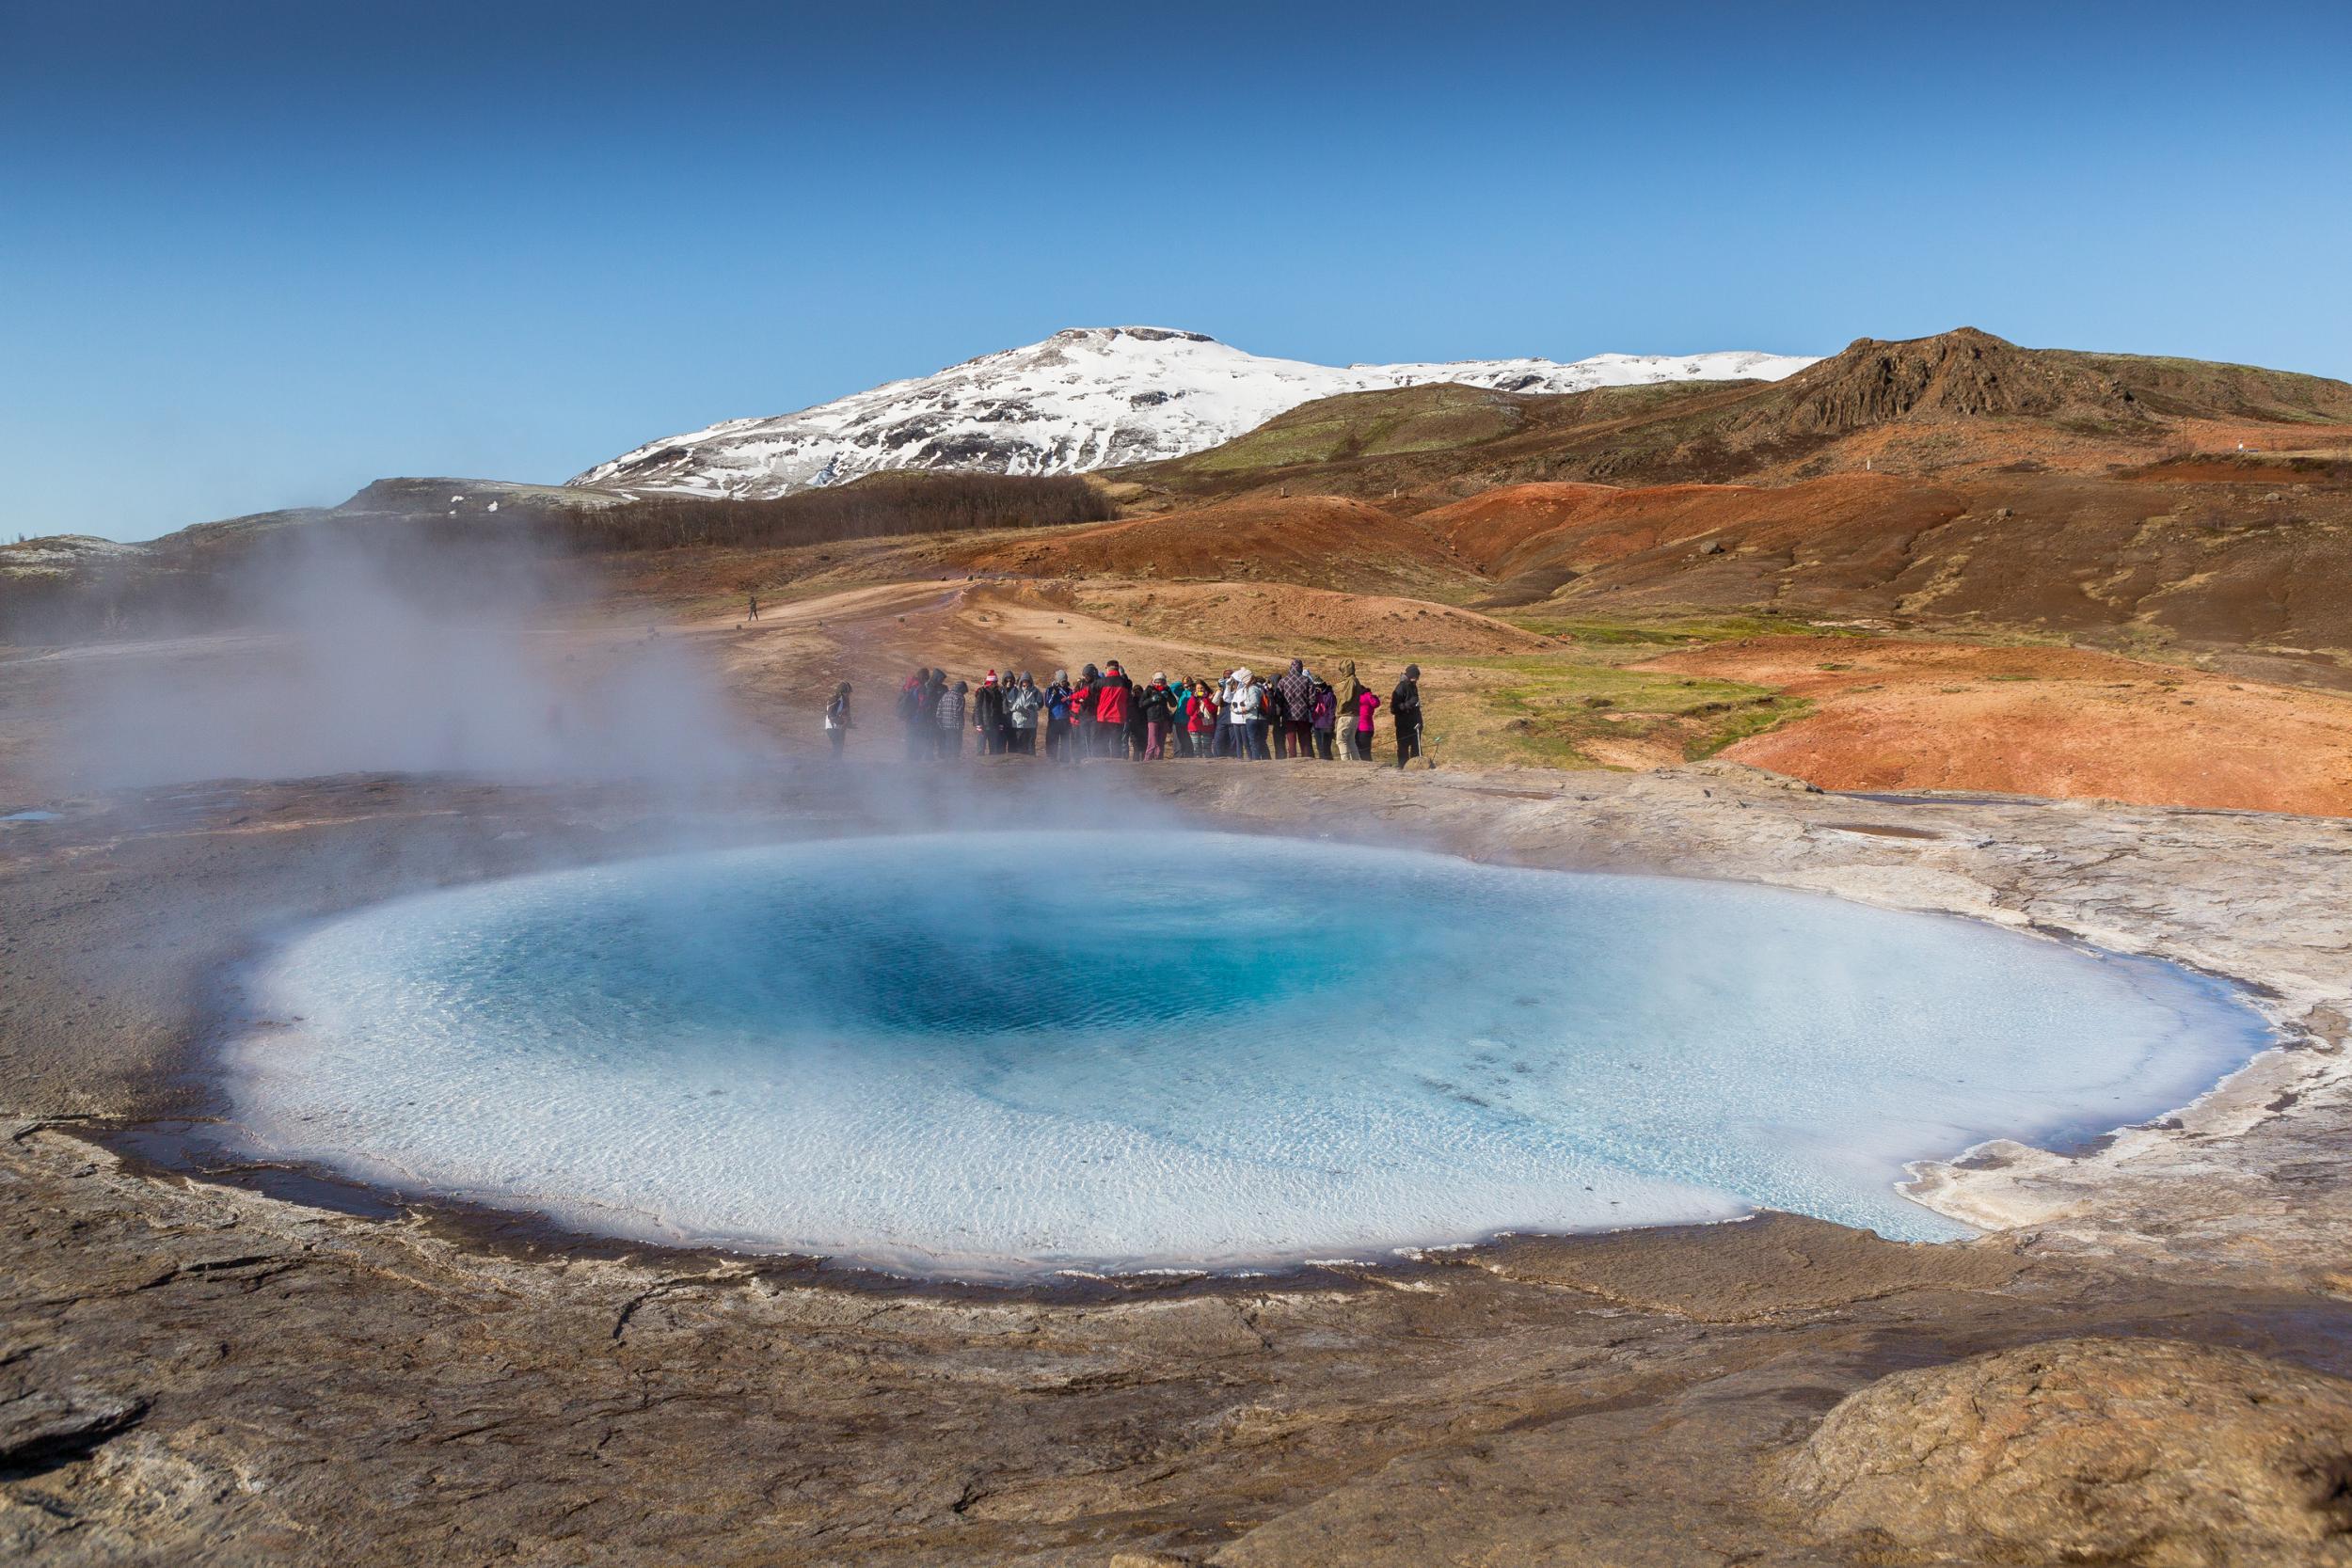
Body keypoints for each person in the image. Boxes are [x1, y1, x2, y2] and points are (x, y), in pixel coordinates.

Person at [1274, 659, 1314, 759]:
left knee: (1291, 740)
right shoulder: (1307, 680)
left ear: (1291, 668)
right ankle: (1306, 757)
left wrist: (1283, 708)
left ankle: (1292, 758)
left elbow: (1278, 699)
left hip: (1288, 714)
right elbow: (1313, 699)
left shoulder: (1283, 681)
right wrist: (1307, 706)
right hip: (1303, 714)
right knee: (1304, 739)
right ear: (1301, 668)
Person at [1092, 660, 1132, 758]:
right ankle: (1116, 766)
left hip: (1104, 716)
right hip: (1118, 717)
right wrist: (1123, 675)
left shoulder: (1103, 681)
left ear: (1108, 668)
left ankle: (1101, 765)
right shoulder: (1124, 682)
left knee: (1102, 741)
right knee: (1116, 742)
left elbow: (1093, 693)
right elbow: (1129, 685)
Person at [1391, 664, 1424, 769]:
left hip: (1414, 725)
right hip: (1403, 725)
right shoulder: (1401, 687)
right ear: (1411, 676)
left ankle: (1416, 770)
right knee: (1403, 749)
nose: (1417, 679)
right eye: (1416, 677)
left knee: (1416, 749)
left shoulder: (1413, 685)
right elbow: (1394, 708)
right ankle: (1403, 768)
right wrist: (1409, 704)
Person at [1227, 667, 1263, 760]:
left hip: (1250, 718)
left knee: (1251, 741)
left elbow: (1254, 702)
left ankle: (1254, 758)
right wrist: (1227, 686)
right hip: (1244, 717)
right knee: (1249, 741)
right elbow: (1227, 698)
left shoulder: (1251, 688)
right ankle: (1251, 758)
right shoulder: (1250, 688)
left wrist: (1242, 709)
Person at [1139, 673, 1176, 760]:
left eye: (1162, 682)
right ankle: (1147, 761)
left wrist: (1169, 697)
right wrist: (1152, 699)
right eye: (1157, 681)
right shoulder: (1149, 690)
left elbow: (1174, 704)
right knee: (1152, 742)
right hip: (1153, 719)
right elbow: (1141, 704)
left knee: (1161, 743)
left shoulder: (1167, 690)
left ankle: (1159, 761)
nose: (1159, 684)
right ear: (1153, 681)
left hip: (1164, 719)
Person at [898, 668, 932, 761]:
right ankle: (915, 761)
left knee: (910, 738)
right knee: (918, 739)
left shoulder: (910, 685)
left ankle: (908, 759)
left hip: (909, 717)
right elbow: (923, 703)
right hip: (918, 719)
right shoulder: (921, 688)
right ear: (925, 678)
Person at [1007, 672, 1043, 754]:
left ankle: (1031, 765)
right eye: (1024, 685)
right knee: (1019, 746)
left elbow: (1040, 703)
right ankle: (1020, 765)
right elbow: (1009, 703)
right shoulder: (1015, 691)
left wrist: (1033, 706)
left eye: (1028, 684)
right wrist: (1018, 707)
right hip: (1019, 724)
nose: (1026, 686)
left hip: (1031, 724)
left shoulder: (1035, 691)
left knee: (1030, 746)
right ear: (1021, 683)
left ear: (1031, 682)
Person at [973, 672, 1008, 756]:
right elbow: (977, 709)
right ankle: (979, 767)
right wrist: (978, 723)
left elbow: (1000, 709)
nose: (996, 684)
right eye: (994, 683)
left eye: (996, 682)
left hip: (994, 724)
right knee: (980, 749)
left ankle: (992, 768)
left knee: (993, 749)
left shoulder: (998, 693)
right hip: (983, 724)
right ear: (990, 683)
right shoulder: (982, 692)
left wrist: (1001, 723)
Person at [1044, 669, 1074, 763]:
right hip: (1054, 720)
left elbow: (1070, 702)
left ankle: (1065, 761)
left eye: (1065, 681)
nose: (1063, 683)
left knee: (1065, 742)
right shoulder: (1050, 690)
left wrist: (1061, 691)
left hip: (1065, 720)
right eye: (1061, 681)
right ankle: (1051, 759)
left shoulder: (1069, 691)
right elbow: (1048, 704)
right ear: (1057, 680)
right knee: (1052, 741)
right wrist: (1054, 694)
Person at [936, 678, 968, 758]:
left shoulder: (945, 695)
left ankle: (947, 764)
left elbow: (939, 712)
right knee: (956, 747)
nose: (964, 693)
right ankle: (954, 764)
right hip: (955, 727)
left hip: (945, 726)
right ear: (961, 689)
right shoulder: (960, 697)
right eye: (964, 691)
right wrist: (960, 725)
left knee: (948, 745)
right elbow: (958, 713)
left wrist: (941, 724)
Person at [1309, 675, 1337, 760]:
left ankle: (1329, 764)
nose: (1316, 690)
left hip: (1326, 725)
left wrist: (1330, 724)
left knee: (1326, 748)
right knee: (1319, 748)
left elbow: (1332, 711)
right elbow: (1311, 706)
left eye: (1317, 688)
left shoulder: (1330, 695)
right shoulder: (1314, 695)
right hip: (1317, 724)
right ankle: (1322, 764)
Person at [1352, 681, 1380, 761]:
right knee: (1366, 752)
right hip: (1369, 727)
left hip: (1361, 728)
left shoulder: (1361, 698)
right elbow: (1375, 703)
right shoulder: (1369, 696)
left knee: (1363, 753)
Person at [824, 681, 852, 757]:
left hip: (840, 728)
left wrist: (849, 724)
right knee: (837, 746)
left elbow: (846, 713)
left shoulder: (845, 701)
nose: (849, 695)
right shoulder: (834, 700)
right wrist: (842, 721)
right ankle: (833, 764)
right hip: (831, 728)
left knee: (840, 747)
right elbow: (830, 715)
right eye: (848, 693)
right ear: (842, 692)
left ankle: (837, 764)